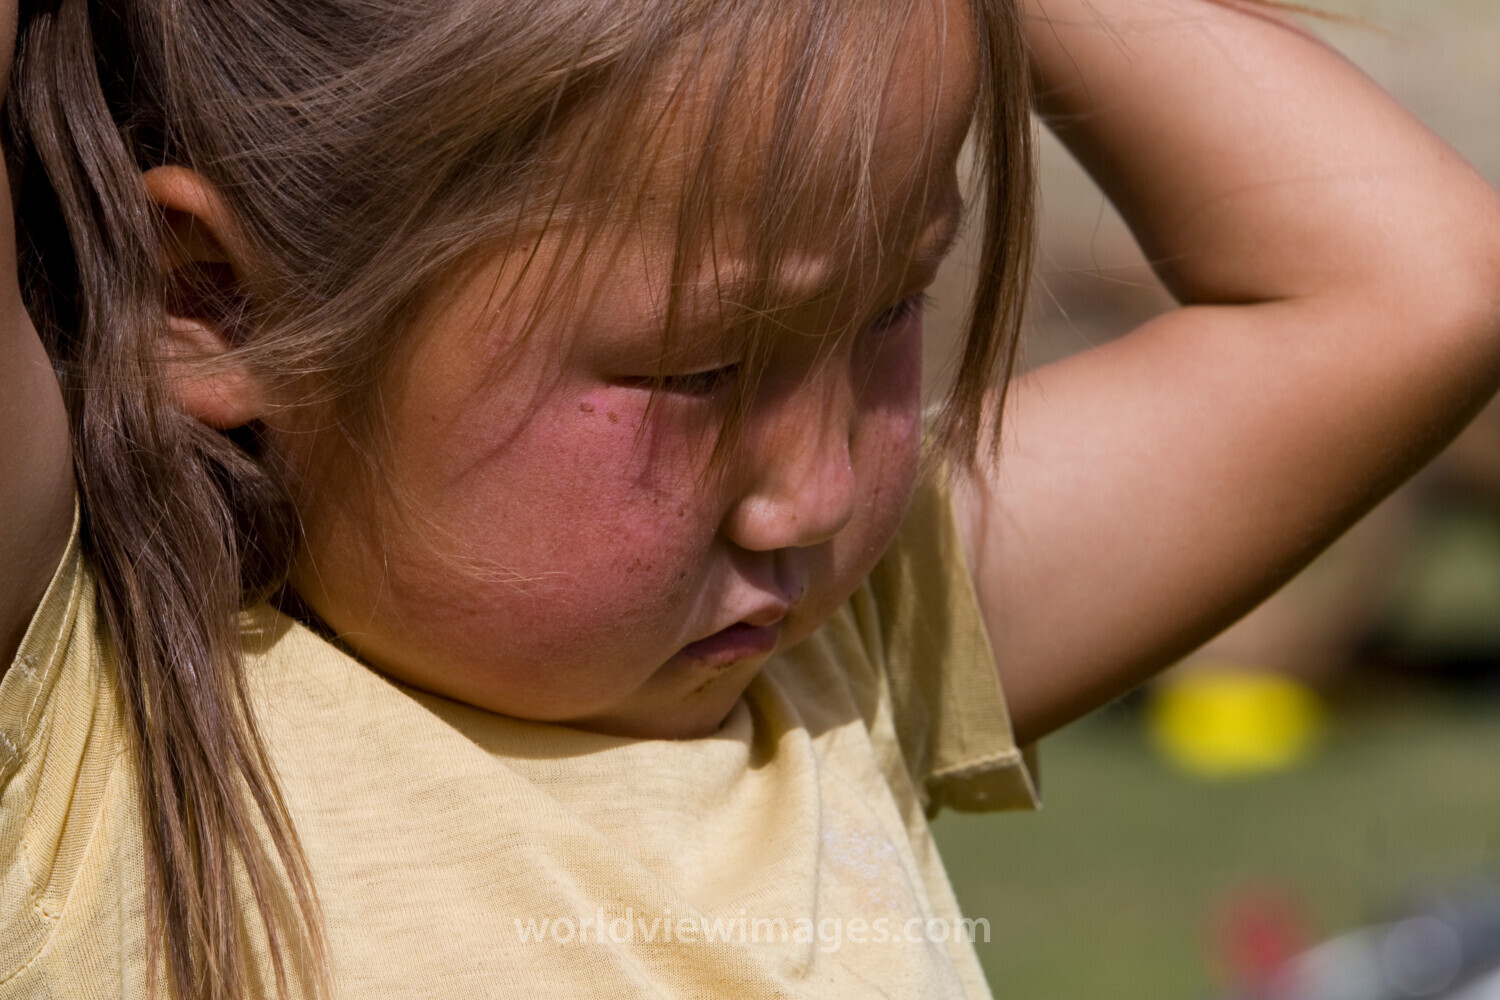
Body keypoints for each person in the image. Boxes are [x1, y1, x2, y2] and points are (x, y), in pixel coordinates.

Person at [2, 0, 1498, 997]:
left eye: (891, 310)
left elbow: (1415, 283)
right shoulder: (94, 722)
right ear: (210, 300)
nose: (823, 487)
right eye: (696, 373)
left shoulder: (835, 663)